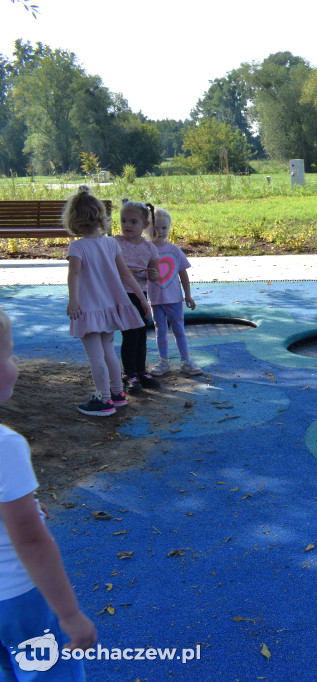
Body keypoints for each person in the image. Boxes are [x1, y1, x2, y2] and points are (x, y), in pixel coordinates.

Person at [0, 309, 98, 679]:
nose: (17, 362)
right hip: (18, 599)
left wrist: (18, 506)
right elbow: (30, 543)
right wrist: (70, 615)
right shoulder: (5, 445)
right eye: (9, 353)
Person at [65, 187, 150, 416]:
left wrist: (73, 301)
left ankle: (103, 401)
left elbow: (73, 275)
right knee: (108, 352)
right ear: (100, 217)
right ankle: (117, 394)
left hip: (89, 309)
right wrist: (143, 299)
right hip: (109, 309)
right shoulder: (111, 243)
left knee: (96, 357)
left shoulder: (77, 247)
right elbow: (126, 275)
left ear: (74, 220)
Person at [147, 208, 203, 377]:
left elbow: (183, 273)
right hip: (156, 300)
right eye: (156, 228)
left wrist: (188, 295)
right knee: (160, 331)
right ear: (149, 229)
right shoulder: (147, 250)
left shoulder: (174, 250)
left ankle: (185, 360)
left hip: (174, 300)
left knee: (179, 330)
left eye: (164, 228)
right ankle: (163, 361)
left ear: (169, 228)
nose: (160, 232)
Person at [116, 200, 161, 394]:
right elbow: (108, 268)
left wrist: (152, 274)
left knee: (142, 333)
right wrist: (126, 271)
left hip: (140, 294)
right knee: (130, 334)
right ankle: (129, 373)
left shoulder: (149, 248)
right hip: (121, 294)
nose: (127, 225)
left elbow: (155, 273)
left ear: (145, 225)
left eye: (133, 222)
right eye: (124, 220)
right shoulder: (115, 243)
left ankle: (141, 370)